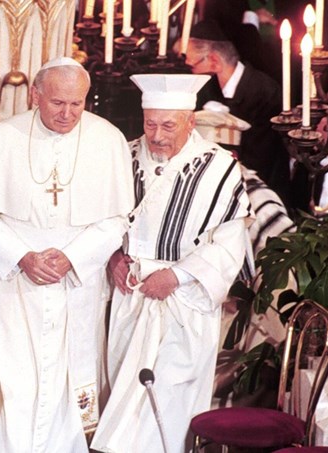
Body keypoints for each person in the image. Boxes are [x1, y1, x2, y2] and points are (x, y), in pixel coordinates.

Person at [0, 57, 134, 452]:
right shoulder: (1, 138)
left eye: (77, 104)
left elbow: (117, 220)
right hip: (11, 285)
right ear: (35, 95)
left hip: (75, 283)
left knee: (71, 377)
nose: (68, 114)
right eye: (57, 103)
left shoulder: (108, 139)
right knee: (14, 378)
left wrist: (72, 257)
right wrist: (22, 256)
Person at [90, 74, 254, 453]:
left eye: (168, 125)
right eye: (150, 124)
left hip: (183, 303)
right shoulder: (125, 157)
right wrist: (113, 258)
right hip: (129, 299)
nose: (158, 135)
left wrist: (176, 275)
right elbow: (99, 222)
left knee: (164, 402)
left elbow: (229, 244)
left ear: (190, 122)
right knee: (122, 398)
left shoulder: (220, 169)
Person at [185, 20, 291, 206]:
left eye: (192, 65)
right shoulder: (206, 89)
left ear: (214, 61)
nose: (191, 72)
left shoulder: (265, 92)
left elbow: (262, 157)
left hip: (259, 192)